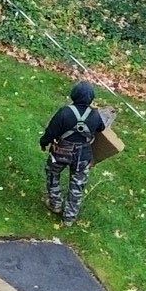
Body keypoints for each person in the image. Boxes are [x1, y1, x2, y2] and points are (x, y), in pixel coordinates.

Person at [39, 81, 111, 221]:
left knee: (53, 174)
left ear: (74, 95)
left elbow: (51, 132)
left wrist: (44, 143)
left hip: (61, 152)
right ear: (91, 98)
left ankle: (55, 204)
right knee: (77, 185)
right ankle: (69, 217)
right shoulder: (95, 115)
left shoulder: (65, 112)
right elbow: (101, 130)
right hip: (83, 156)